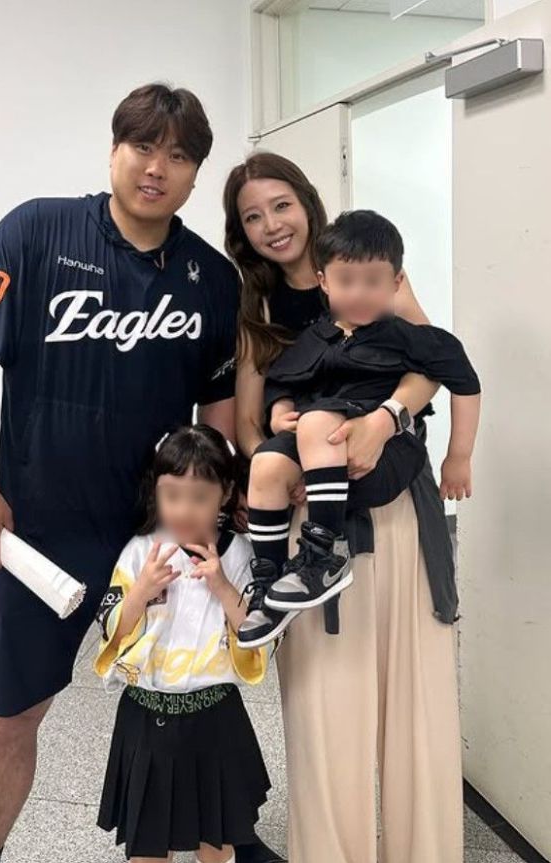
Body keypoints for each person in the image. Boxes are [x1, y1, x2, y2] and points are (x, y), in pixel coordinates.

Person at [0, 84, 282, 863]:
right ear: (115, 150)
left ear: (195, 172)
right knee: (15, 710)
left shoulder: (210, 277)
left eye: (179, 155)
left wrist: (219, 509)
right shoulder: (36, 230)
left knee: (201, 685)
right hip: (39, 528)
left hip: (155, 528)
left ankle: (224, 826)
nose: (157, 167)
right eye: (143, 146)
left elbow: (216, 404)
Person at [223, 151, 472, 862]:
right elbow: (249, 424)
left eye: (281, 204)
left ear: (307, 202)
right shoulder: (259, 312)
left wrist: (385, 419)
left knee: (412, 692)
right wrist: (287, 453)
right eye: (253, 216)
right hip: (311, 518)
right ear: (242, 233)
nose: (272, 224)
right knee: (325, 706)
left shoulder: (370, 267)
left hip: (393, 501)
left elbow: (431, 368)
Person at [238, 210, 480, 646]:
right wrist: (279, 411)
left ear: (396, 282)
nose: (359, 293)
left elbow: (465, 381)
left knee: (317, 421)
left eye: (373, 281)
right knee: (266, 463)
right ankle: (270, 586)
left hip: (384, 456)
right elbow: (282, 381)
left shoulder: (408, 337)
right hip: (320, 455)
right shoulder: (316, 337)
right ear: (324, 282)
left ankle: (324, 556)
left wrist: (458, 456)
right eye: (346, 281)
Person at [93, 425, 271, 863]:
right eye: (171, 495)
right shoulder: (140, 551)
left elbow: (255, 632)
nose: (184, 510)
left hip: (216, 716)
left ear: (225, 493)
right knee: (147, 844)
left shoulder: (239, 554)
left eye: (199, 497)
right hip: (146, 713)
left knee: (218, 839)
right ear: (155, 490)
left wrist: (223, 586)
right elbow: (113, 629)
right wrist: (140, 592)